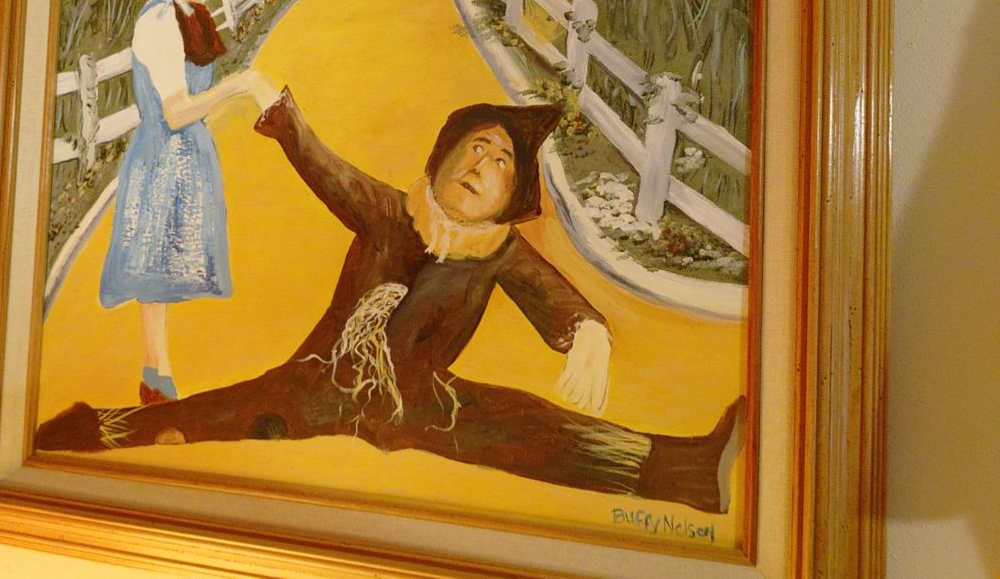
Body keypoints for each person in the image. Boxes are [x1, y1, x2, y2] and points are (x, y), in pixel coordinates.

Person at [41, 90, 744, 513]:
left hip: (420, 405)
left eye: (502, 162)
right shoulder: (388, 212)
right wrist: (280, 113)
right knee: (205, 418)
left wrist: (585, 330)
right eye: (476, 147)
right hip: (317, 387)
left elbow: (551, 295)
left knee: (529, 427)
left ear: (512, 197)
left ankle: (683, 472)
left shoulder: (497, 248)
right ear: (442, 156)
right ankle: (87, 431)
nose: (482, 165)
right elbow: (326, 168)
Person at [98, 0, 267, 405]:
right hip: (162, 159)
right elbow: (174, 112)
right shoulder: (157, 21)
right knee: (154, 266)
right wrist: (238, 86)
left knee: (167, 267)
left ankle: (155, 375)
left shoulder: (190, 14)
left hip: (187, 157)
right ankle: (158, 378)